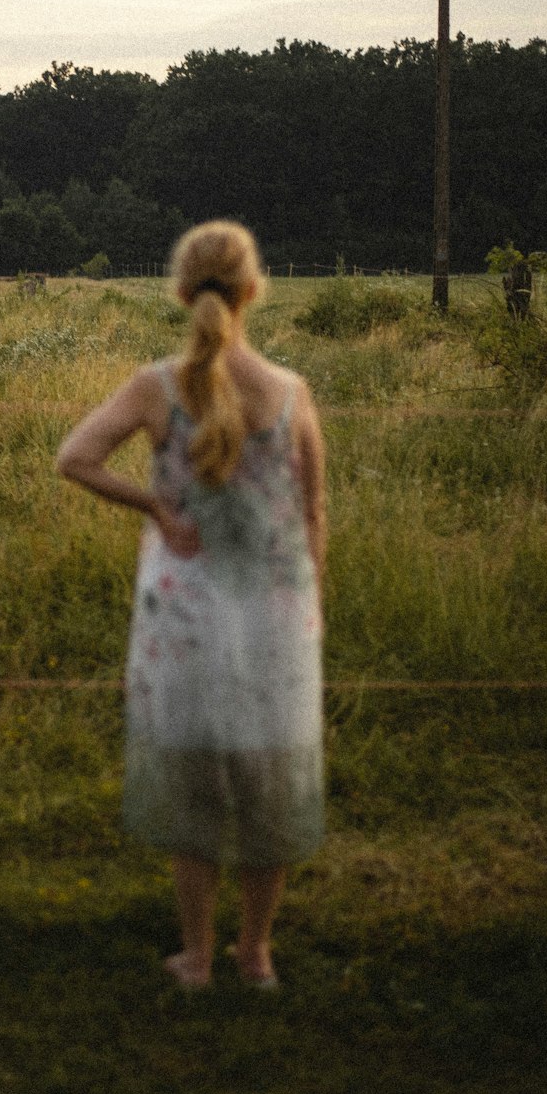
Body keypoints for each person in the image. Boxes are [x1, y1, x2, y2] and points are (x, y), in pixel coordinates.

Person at [56, 220, 326, 990]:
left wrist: (155, 507)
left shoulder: (155, 388)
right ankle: (259, 954)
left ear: (181, 293)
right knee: (268, 778)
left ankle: (200, 957)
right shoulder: (292, 393)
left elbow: (73, 458)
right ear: (253, 290)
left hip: (185, 621)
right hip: (279, 616)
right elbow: (313, 515)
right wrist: (313, 608)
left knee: (198, 781)